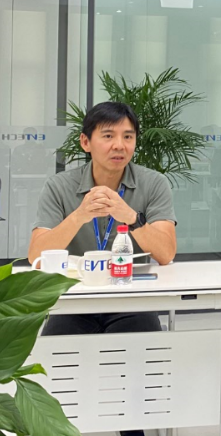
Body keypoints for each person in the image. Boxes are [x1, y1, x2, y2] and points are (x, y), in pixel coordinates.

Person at [29, 101, 177, 436]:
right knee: (55, 372)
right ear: (86, 142)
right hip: (75, 303)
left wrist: (131, 217)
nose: (119, 145)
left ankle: (133, 430)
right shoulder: (60, 186)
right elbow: (36, 256)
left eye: (128, 136)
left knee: (136, 377)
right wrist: (79, 216)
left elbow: (166, 253)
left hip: (131, 301)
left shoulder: (153, 183)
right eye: (108, 136)